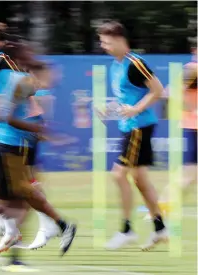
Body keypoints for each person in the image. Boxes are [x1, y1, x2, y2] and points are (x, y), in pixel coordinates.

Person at [0, 17, 76, 257]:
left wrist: (6, 103)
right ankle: (63, 225)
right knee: (19, 191)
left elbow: (28, 86)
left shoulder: (2, 62)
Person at [97, 20, 168, 251]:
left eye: (107, 42)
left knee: (118, 175)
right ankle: (160, 228)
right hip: (129, 126)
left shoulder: (135, 63)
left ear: (119, 40)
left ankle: (126, 229)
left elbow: (158, 90)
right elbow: (124, 97)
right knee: (140, 180)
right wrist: (109, 108)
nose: (104, 46)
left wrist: (136, 109)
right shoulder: (114, 65)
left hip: (139, 126)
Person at [145, 39, 197, 219]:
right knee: (190, 175)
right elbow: (168, 93)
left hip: (192, 125)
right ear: (194, 50)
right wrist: (189, 107)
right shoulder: (193, 69)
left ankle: (160, 208)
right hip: (195, 127)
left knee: (190, 175)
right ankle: (159, 210)